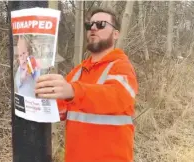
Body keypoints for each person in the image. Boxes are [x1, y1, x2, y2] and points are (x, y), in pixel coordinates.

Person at [35, 8, 138, 162]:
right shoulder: (78, 72)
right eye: (89, 25)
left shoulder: (121, 66)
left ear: (116, 34)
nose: (93, 28)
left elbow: (118, 98)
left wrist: (73, 91)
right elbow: (60, 109)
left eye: (101, 24)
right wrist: (37, 96)